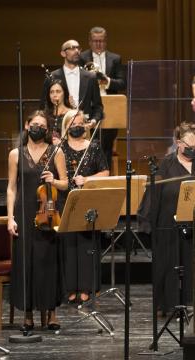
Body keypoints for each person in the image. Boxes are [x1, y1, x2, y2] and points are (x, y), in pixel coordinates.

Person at [138, 123, 195, 314]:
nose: (194, 151)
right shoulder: (165, 164)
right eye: (189, 147)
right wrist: (147, 223)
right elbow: (153, 194)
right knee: (170, 265)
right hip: (169, 225)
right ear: (179, 143)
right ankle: (172, 305)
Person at [6, 110, 69, 332]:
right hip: (24, 214)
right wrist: (10, 218)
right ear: (26, 125)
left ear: (48, 130)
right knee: (27, 263)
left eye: (42, 125)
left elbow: (66, 184)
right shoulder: (15, 154)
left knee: (48, 263)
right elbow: (11, 188)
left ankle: (52, 313)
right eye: (35, 124)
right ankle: (29, 314)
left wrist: (54, 180)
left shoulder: (56, 152)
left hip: (48, 213)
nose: (38, 128)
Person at [59, 110, 109, 304]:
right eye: (72, 124)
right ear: (66, 127)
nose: (76, 126)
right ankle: (70, 287)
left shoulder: (94, 147)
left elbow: (105, 172)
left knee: (87, 243)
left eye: (80, 123)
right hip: (66, 200)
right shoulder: (60, 148)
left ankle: (87, 287)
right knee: (69, 244)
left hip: (88, 199)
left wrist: (86, 178)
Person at [79, 26, 127, 171]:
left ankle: (105, 176)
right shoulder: (82, 58)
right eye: (95, 41)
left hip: (110, 108)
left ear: (106, 41)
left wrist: (106, 80)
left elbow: (122, 83)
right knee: (88, 144)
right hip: (90, 107)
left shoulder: (115, 58)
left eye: (101, 41)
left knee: (106, 145)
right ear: (89, 42)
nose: (98, 44)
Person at [40, 39, 104, 126]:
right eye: (72, 48)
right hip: (59, 125)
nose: (77, 51)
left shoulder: (91, 77)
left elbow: (98, 106)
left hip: (84, 125)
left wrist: (93, 121)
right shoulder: (52, 77)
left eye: (78, 48)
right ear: (63, 53)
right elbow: (44, 105)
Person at [43, 78, 73, 144]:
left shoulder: (71, 114)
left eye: (58, 91)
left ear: (64, 93)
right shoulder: (44, 115)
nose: (54, 95)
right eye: (51, 92)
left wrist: (61, 143)